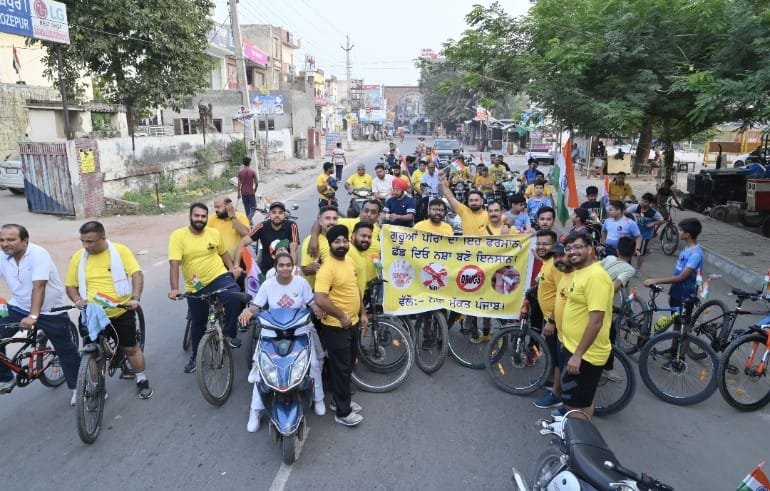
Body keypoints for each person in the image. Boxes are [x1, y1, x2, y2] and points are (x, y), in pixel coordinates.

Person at [239, 252, 326, 432]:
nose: (285, 268)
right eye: (281, 265)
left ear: (292, 267)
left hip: (299, 331)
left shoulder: (301, 283)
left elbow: (311, 303)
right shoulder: (267, 285)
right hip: (272, 332)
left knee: (313, 364)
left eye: (288, 265)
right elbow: (256, 306)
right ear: (276, 267)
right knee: (260, 370)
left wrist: (318, 309)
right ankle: (255, 411)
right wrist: (248, 311)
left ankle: (318, 398)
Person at [65, 221, 152, 399]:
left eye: (90, 241)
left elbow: (136, 274)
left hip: (120, 311)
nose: (85, 245)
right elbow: (71, 285)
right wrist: (77, 300)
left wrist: (135, 298)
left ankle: (141, 378)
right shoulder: (78, 257)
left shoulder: (120, 251)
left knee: (130, 349)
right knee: (92, 353)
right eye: (83, 241)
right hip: (92, 313)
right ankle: (97, 386)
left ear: (103, 238)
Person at [0, 224, 80, 402]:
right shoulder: (3, 256)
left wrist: (33, 316)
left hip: (49, 310)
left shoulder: (38, 254)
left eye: (11, 239)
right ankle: (5, 378)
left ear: (25, 240)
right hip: (18, 306)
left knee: (65, 349)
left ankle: (79, 388)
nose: (5, 244)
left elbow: (39, 287)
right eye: (2, 240)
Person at [168, 203, 244, 373]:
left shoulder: (213, 233)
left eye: (203, 216)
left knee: (235, 297)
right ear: (190, 216)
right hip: (196, 285)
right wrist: (174, 288)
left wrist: (232, 268)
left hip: (218, 276)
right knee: (198, 323)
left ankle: (229, 333)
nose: (200, 219)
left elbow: (223, 253)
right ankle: (196, 356)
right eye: (197, 216)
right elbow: (174, 264)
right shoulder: (178, 236)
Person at [313, 225, 367, 427]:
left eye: (344, 240)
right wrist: (341, 315)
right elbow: (320, 298)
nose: (342, 244)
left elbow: (355, 289)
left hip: (352, 322)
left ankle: (338, 401)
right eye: (337, 241)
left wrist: (362, 312)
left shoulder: (349, 261)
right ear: (330, 244)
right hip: (336, 326)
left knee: (348, 365)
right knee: (341, 369)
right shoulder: (327, 268)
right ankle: (343, 413)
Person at [559, 233, 614, 417]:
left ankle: (578, 432)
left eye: (578, 247)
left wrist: (577, 355)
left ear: (590, 249)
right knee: (579, 401)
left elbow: (596, 322)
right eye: (568, 248)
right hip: (574, 348)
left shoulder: (596, 277)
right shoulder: (582, 271)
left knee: (575, 405)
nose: (572, 252)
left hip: (585, 355)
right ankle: (575, 429)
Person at [643, 218, 703, 310]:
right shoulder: (687, 248)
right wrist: (672, 292)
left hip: (685, 294)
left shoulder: (695, 254)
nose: (678, 232)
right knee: (674, 315)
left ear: (687, 234)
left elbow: (681, 277)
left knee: (681, 318)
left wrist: (655, 280)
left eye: (680, 230)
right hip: (677, 289)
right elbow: (678, 273)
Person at [533, 230, 563, 409]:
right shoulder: (546, 261)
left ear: (554, 245)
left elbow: (562, 295)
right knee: (552, 353)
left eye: (545, 244)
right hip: (549, 318)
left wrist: (552, 321)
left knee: (558, 359)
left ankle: (556, 394)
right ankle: (551, 381)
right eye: (539, 243)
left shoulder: (556, 265)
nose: (541, 247)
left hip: (557, 321)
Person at [235, 201, 300, 277]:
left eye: (280, 212)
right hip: (266, 271)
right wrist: (236, 266)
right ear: (269, 214)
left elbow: (293, 249)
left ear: (284, 215)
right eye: (274, 212)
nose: (277, 215)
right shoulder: (261, 226)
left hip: (285, 269)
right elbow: (242, 243)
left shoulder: (292, 225)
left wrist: (293, 270)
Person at [208, 196, 250, 275]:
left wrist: (233, 217)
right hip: (219, 264)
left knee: (240, 283)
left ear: (229, 206)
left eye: (218, 207)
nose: (216, 210)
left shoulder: (240, 217)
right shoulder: (211, 219)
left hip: (239, 261)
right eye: (215, 207)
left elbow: (246, 234)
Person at [300, 207, 340, 289]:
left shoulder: (342, 238)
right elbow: (305, 270)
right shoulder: (310, 241)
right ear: (320, 222)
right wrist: (315, 267)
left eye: (334, 219)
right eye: (327, 218)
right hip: (320, 290)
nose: (332, 222)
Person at [626, 193, 664, 272]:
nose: (643, 203)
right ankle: (627, 266)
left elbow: (662, 220)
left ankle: (638, 270)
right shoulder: (636, 207)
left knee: (640, 253)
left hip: (644, 236)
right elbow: (625, 212)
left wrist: (653, 223)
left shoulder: (653, 212)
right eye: (642, 200)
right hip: (633, 234)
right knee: (628, 250)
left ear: (650, 203)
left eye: (645, 201)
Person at [237, 157, 258, 223]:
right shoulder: (252, 171)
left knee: (247, 208)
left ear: (243, 163)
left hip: (243, 193)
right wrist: (255, 189)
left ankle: (249, 221)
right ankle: (249, 219)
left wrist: (238, 193)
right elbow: (257, 183)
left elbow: (239, 184)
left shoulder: (240, 172)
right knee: (254, 207)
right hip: (251, 192)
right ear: (249, 163)